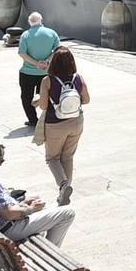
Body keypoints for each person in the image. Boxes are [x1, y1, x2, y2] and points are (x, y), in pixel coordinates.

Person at [0, 141, 76, 246]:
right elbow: (9, 214)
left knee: (41, 205)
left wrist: (23, 204)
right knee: (68, 213)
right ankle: (52, 254)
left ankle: (45, 245)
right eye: (1, 160)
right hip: (6, 230)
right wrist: (30, 209)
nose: (0, 164)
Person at [36, 45, 89, 206]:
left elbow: (43, 106)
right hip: (76, 122)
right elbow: (86, 100)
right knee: (68, 157)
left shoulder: (47, 81)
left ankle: (63, 186)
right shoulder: (78, 77)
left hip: (55, 124)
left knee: (52, 158)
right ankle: (65, 191)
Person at [17, 12, 60, 127]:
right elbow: (57, 51)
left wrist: (36, 63)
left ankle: (33, 120)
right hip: (46, 72)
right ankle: (48, 118)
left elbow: (22, 54)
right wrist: (46, 61)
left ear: (29, 22)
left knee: (27, 97)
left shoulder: (25, 35)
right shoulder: (52, 33)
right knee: (47, 96)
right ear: (41, 20)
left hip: (27, 72)